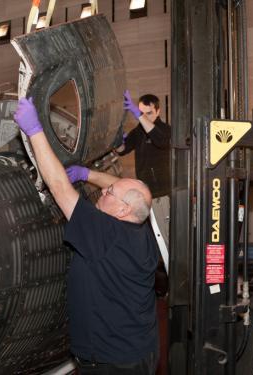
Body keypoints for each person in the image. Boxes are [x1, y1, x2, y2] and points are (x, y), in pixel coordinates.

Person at [14, 97, 159, 374]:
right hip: (141, 352)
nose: (104, 190)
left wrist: (34, 131)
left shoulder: (106, 234)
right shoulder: (141, 227)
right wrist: (87, 174)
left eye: (109, 193)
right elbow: (125, 189)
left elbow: (58, 187)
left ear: (123, 208)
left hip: (111, 364)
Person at [116, 90, 170, 199]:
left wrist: (139, 115)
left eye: (149, 113)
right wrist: (117, 141)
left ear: (158, 111)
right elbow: (122, 150)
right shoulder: (138, 131)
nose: (144, 117)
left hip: (163, 192)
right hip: (145, 190)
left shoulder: (165, 130)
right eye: (141, 113)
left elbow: (161, 140)